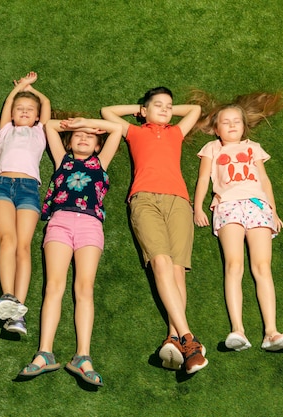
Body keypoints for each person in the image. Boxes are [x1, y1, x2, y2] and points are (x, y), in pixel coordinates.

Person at [101, 87, 208, 374]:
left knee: (177, 270)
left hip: (179, 201)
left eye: (169, 106)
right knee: (159, 261)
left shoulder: (175, 132)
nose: (165, 109)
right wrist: (139, 110)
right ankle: (190, 340)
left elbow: (195, 111)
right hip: (144, 197)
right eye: (157, 105)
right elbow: (108, 112)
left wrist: (165, 111)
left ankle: (174, 338)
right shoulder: (135, 132)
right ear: (143, 110)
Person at [18, 117, 122, 387]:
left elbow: (118, 129)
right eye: (78, 135)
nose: (84, 138)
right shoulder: (62, 160)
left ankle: (82, 356)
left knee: (84, 288)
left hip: (90, 224)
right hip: (60, 221)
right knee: (53, 286)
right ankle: (44, 353)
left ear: (99, 145)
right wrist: (73, 125)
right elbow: (50, 126)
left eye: (90, 136)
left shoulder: (101, 162)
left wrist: (86, 122)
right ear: (69, 141)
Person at [191, 90, 283, 352]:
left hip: (257, 206)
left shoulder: (253, 148)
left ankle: (271, 331)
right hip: (227, 207)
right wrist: (198, 208)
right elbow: (204, 179)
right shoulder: (212, 148)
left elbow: (264, 180)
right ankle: (237, 329)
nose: (231, 125)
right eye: (225, 122)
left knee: (262, 267)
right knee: (234, 265)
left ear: (244, 126)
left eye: (236, 121)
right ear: (216, 128)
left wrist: (273, 210)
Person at [0, 72, 51, 335]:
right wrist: (18, 91)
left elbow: (46, 104)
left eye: (30, 109)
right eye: (19, 109)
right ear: (12, 114)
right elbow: (7, 105)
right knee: (7, 240)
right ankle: (8, 297)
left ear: (37, 116)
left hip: (29, 189)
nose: (24, 111)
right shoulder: (5, 131)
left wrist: (30, 89)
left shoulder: (40, 131)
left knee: (23, 246)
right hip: (2, 185)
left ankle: (18, 312)